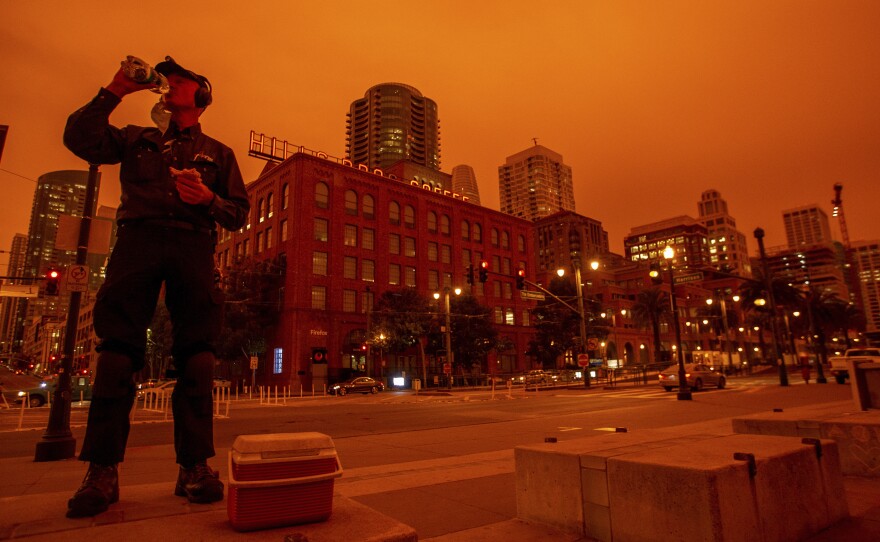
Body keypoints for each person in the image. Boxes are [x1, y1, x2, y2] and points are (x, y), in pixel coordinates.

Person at [62, 56, 249, 518]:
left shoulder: (219, 154)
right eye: (169, 79)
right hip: (138, 240)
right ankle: (101, 471)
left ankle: (194, 468)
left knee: (198, 357)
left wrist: (207, 198)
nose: (171, 84)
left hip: (192, 246)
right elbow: (79, 137)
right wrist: (115, 89)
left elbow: (238, 213)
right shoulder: (134, 139)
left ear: (200, 97)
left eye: (181, 79)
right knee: (116, 354)